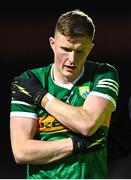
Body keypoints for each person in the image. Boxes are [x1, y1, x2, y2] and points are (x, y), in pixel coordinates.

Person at [10, 9, 119, 179]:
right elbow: (22, 152)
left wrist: (41, 97)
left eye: (80, 51)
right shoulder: (30, 80)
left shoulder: (103, 74)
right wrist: (74, 144)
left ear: (90, 48)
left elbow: (87, 124)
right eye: (66, 49)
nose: (72, 59)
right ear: (53, 44)